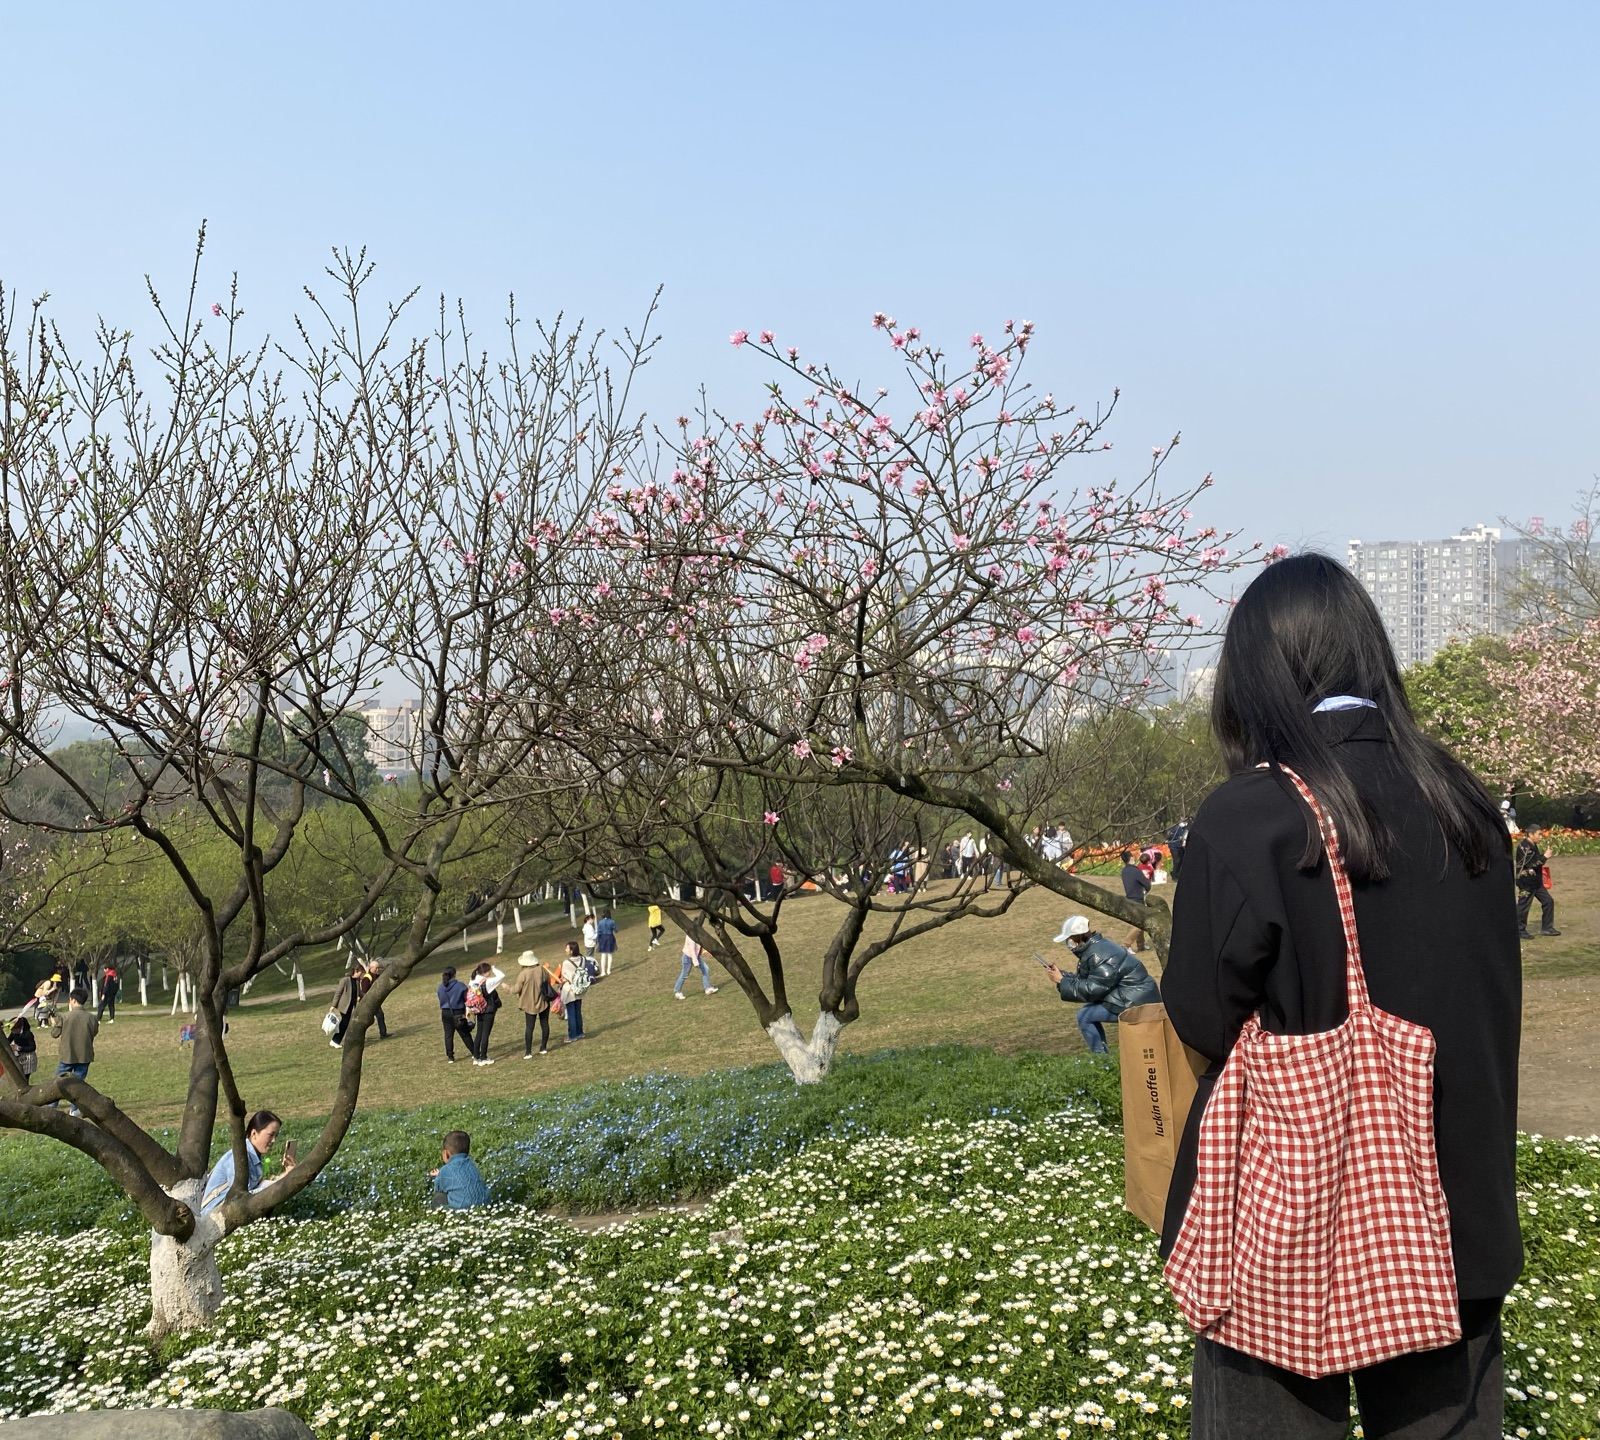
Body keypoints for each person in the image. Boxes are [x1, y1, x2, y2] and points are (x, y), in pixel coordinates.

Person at [1158, 552, 1520, 1438]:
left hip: (1291, 1227)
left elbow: (1201, 1013)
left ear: (1252, 676)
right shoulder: (1462, 801)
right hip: (1453, 1222)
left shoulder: (1254, 814)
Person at [1044, 916, 1159, 1053]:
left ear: (1079, 937)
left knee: (1085, 1015)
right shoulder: (1096, 948)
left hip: (1137, 1002)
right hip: (1131, 997)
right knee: (1087, 1012)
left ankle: (1102, 1060)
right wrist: (1063, 977)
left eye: (1069, 939)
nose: (1068, 943)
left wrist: (1062, 981)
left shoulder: (1098, 955)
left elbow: (1093, 990)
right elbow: (1090, 981)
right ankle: (1102, 1057)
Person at [200, 1109, 296, 1214]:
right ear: (254, 1133)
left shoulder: (252, 1156)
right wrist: (279, 1185)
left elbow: (256, 1188)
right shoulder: (238, 1158)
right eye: (270, 1135)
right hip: (211, 1216)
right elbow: (242, 1197)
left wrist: (287, 1175)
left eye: (276, 1136)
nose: (274, 1140)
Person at [50, 989, 98, 1117]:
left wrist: (54, 1024)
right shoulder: (92, 1018)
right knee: (78, 1083)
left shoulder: (64, 1017)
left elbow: (54, 1034)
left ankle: (51, 1106)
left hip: (67, 1055)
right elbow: (94, 1032)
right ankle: (75, 1109)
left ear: (73, 1000)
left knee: (58, 1082)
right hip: (84, 1055)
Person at [1513, 823, 1560, 938]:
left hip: (1536, 882)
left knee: (1548, 901)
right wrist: (1545, 857)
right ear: (1530, 834)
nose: (1541, 837)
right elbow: (1531, 864)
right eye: (1539, 834)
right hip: (1526, 882)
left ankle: (1547, 928)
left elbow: (1535, 860)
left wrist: (1543, 856)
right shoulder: (1524, 847)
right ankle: (1519, 930)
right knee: (1523, 906)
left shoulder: (1532, 845)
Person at [430, 1130, 489, 1210]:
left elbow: (438, 1188)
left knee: (438, 1197)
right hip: (483, 1206)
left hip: (462, 1210)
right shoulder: (472, 1165)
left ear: (446, 1154)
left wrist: (438, 1176)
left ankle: (439, 1214)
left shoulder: (445, 1170)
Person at [510, 950, 554, 1057]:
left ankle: (528, 1052)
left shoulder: (523, 974)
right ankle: (543, 1047)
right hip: (543, 1001)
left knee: (529, 1027)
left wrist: (507, 988)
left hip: (529, 1004)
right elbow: (548, 981)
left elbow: (516, 989)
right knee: (545, 1024)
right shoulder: (542, 970)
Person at [465, 962, 505, 1065]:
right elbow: (501, 976)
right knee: (485, 1034)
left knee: (479, 1033)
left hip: (478, 1009)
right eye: (489, 971)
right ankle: (483, 1057)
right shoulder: (488, 982)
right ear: (485, 972)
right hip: (488, 1010)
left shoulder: (473, 980)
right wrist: (494, 968)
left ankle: (476, 1057)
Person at [436, 966, 475, 1064]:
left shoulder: (440, 987)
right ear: (454, 974)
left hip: (445, 1012)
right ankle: (474, 1052)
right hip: (458, 1012)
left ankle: (450, 1056)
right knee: (464, 1033)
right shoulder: (460, 986)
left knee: (448, 1035)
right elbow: (467, 999)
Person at [1120, 848, 1151, 951]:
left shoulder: (1124, 871)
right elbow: (1147, 884)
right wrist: (1146, 889)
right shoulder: (1136, 870)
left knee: (1138, 921)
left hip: (1129, 899)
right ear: (1131, 858)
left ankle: (1141, 945)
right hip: (1137, 899)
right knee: (1139, 924)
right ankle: (1126, 944)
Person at [329, 959, 363, 1048]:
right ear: (356, 971)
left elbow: (359, 993)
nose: (361, 974)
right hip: (344, 1006)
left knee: (345, 1023)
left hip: (351, 1006)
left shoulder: (357, 981)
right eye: (360, 972)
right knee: (344, 1023)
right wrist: (333, 1005)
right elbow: (338, 993)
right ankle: (335, 1041)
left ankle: (336, 1040)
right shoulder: (345, 980)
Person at [558, 943, 589, 1042]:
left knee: (571, 1013)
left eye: (567, 948)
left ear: (571, 950)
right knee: (578, 1012)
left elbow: (564, 977)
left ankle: (572, 1035)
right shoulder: (583, 959)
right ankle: (580, 1032)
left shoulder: (566, 963)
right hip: (579, 989)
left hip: (570, 990)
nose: (565, 950)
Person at [673, 936, 719, 1001]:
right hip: (688, 957)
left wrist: (705, 951)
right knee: (684, 975)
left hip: (695, 956)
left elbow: (699, 945)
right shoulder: (690, 936)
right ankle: (677, 992)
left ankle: (707, 988)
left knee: (705, 969)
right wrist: (695, 962)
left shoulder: (696, 934)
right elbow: (692, 950)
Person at [359, 958, 390, 1040]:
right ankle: (361, 1036)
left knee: (380, 1016)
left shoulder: (376, 976)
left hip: (374, 1001)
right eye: (376, 968)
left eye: (378, 968)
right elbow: (364, 992)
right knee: (367, 1020)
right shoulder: (367, 978)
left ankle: (383, 1034)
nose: (377, 970)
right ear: (371, 968)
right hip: (368, 1002)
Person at [7, 1016, 37, 1081]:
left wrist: (19, 1048)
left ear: (19, 1028)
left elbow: (33, 1047)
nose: (12, 1031)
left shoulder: (28, 1034)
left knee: (25, 1077)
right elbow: (7, 1041)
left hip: (28, 1057)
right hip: (20, 1056)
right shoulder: (14, 1033)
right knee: (18, 1074)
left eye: (13, 1029)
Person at [595, 910, 617, 978]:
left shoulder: (600, 922)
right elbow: (616, 930)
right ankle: (608, 970)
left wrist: (597, 940)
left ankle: (603, 972)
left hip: (603, 938)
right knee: (609, 954)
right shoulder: (612, 921)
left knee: (603, 955)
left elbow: (599, 932)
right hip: (610, 937)